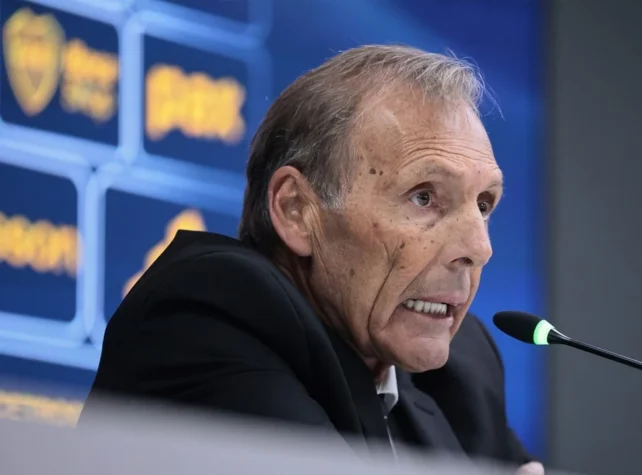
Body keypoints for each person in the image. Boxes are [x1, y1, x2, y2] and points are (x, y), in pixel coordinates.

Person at [82, 45, 544, 475]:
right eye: (424, 197)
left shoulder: (462, 372)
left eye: (484, 204)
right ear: (297, 211)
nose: (478, 247)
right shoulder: (210, 314)